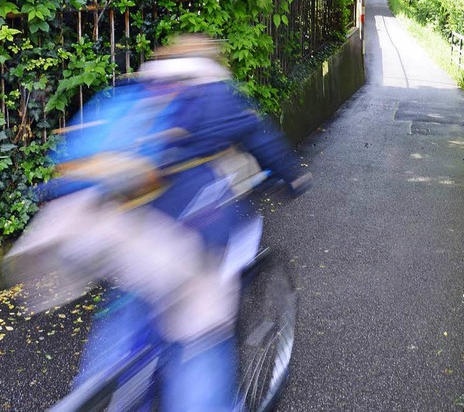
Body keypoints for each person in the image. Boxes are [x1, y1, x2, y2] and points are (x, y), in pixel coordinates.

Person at [6, 34, 310, 410]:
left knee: (127, 310)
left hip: (97, 225)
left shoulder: (130, 92)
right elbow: (266, 143)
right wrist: (294, 178)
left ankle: (98, 391)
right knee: (200, 333)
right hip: (175, 240)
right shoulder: (217, 95)